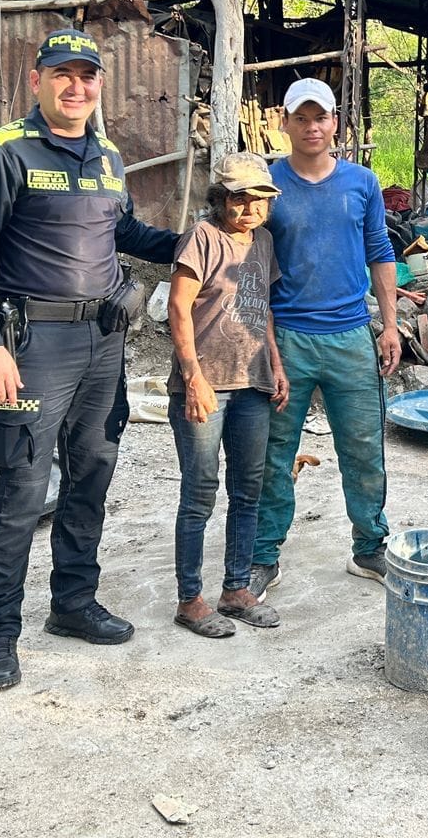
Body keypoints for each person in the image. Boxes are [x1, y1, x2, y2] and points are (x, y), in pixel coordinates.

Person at [0, 28, 179, 692]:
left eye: (87, 76)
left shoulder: (108, 155)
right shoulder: (3, 152)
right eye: (62, 75)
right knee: (20, 486)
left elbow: (122, 231)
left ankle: (73, 603)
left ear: (99, 85)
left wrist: (195, 243)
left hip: (104, 343)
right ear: (37, 81)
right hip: (35, 347)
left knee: (91, 475)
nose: (76, 87)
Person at [248, 77, 401, 598]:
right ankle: (263, 555)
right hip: (287, 338)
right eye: (302, 118)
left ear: (336, 122)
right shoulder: (267, 184)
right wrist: (262, 342)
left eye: (321, 118)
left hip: (351, 335)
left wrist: (389, 324)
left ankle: (370, 547)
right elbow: (250, 263)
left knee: (364, 447)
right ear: (285, 123)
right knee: (273, 452)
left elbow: (380, 251)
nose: (312, 127)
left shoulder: (362, 183)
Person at [166, 152, 287, 638]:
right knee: (199, 492)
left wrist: (276, 364)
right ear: (220, 199)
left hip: (252, 383)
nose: (249, 209)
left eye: (259, 200)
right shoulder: (202, 237)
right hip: (206, 385)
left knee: (247, 489)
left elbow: (265, 308)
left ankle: (236, 589)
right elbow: (178, 308)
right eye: (239, 199)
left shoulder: (264, 242)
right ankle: (189, 599)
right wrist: (192, 378)